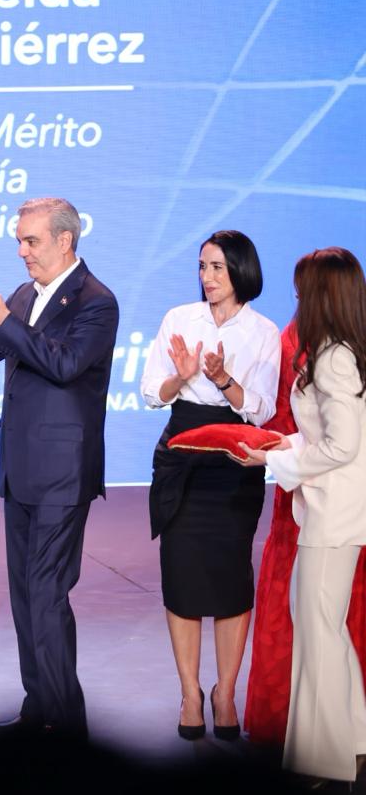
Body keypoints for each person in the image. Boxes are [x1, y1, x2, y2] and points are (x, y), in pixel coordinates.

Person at [0, 196, 118, 737]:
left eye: (31, 240)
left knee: (46, 595)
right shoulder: (25, 295)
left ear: (65, 240)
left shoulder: (96, 301)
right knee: (25, 597)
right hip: (19, 468)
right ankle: (39, 709)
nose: (22, 251)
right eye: (20, 241)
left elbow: (65, 364)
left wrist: (5, 322)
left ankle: (67, 729)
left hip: (63, 473)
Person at [141, 230, 280, 741]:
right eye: (203, 266)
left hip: (234, 460)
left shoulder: (263, 331)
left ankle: (225, 692)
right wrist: (181, 377)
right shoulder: (179, 319)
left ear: (241, 270)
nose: (207, 277)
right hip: (182, 454)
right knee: (181, 578)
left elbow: (261, 409)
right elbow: (151, 392)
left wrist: (222, 380)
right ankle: (189, 694)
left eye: (217, 267)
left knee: (229, 578)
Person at [240, 247, 366, 783]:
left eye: (301, 289)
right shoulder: (339, 350)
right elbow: (324, 437)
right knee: (325, 629)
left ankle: (325, 758)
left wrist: (278, 461)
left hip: (334, 513)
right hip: (331, 509)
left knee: (318, 631)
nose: (296, 298)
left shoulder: (334, 356)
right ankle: (351, 739)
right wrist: (275, 448)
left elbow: (343, 445)